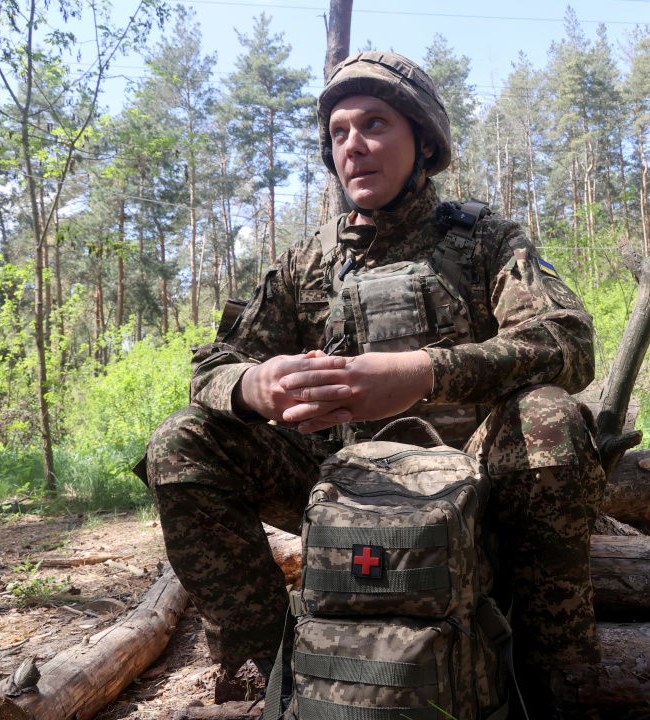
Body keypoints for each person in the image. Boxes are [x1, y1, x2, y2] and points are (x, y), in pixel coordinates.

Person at [141, 51, 605, 718]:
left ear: (425, 142)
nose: (353, 145)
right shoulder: (307, 262)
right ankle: (263, 674)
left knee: (549, 416)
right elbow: (211, 369)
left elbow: (566, 340)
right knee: (181, 442)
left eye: (375, 124)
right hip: (338, 481)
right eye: (339, 133)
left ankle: (552, 680)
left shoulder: (486, 242)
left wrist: (423, 374)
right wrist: (254, 384)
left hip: (477, 481)